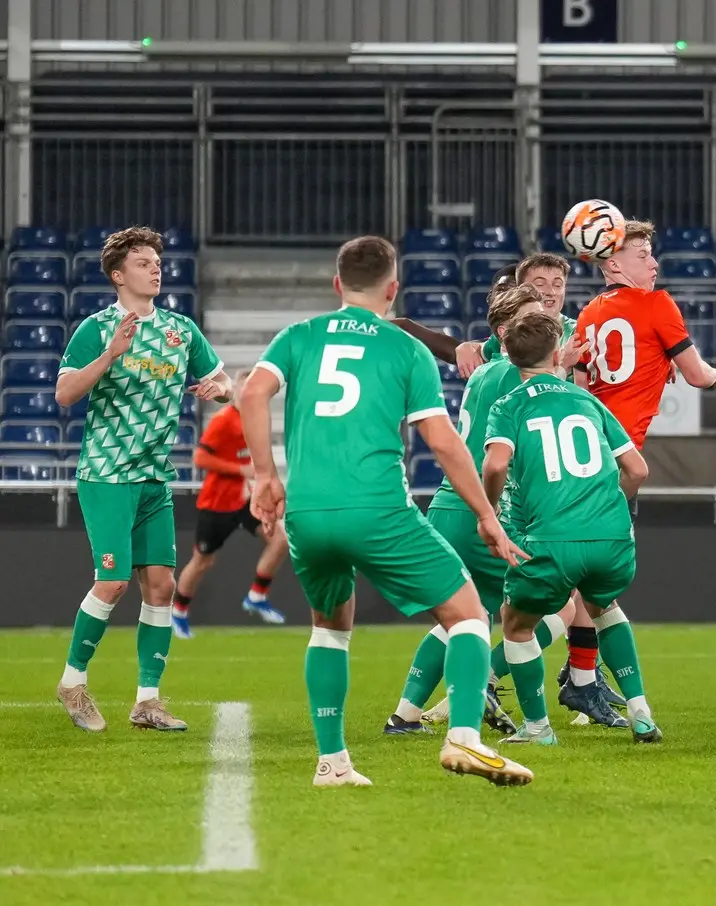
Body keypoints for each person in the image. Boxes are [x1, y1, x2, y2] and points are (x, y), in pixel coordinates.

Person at [238, 235, 532, 788]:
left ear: (337, 284)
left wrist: (265, 476)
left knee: (329, 627)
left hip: (308, 513)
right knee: (468, 613)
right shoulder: (404, 348)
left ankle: (332, 762)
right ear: (393, 288)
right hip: (376, 508)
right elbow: (443, 442)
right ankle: (465, 739)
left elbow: (251, 394)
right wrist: (487, 517)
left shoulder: (297, 337)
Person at [385, 284, 615, 735]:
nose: (544, 326)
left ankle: (405, 715)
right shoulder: (520, 375)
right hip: (487, 511)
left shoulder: (485, 372)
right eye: (532, 320)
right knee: (562, 607)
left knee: (462, 617)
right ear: (508, 331)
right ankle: (487, 679)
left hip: (447, 508)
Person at [53, 227, 230, 733]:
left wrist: (220, 389)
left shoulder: (179, 330)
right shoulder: (96, 327)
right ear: (117, 274)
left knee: (161, 585)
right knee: (111, 581)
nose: (156, 268)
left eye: (157, 261)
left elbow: (224, 381)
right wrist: (109, 355)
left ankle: (147, 702)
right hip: (107, 474)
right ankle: (72, 681)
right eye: (143, 262)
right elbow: (65, 394)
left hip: (154, 478)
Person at [562, 219, 716, 704]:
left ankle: (581, 682)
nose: (654, 263)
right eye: (643, 255)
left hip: (577, 453)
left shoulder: (589, 313)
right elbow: (696, 376)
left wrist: (657, 368)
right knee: (577, 589)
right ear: (613, 264)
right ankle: (494, 678)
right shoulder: (658, 304)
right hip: (614, 463)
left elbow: (582, 387)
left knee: (585, 589)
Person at [483, 310, 659, 745]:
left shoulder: (509, 405)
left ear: (508, 355)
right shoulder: (588, 401)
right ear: (559, 351)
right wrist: (604, 505)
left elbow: (496, 462)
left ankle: (538, 728)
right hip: (612, 537)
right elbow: (636, 469)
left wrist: (488, 514)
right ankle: (641, 714)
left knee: (516, 623)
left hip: (550, 538)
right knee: (604, 607)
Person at [170, 369, 290, 639]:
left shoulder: (253, 420)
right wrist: (240, 470)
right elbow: (200, 459)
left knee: (280, 539)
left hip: (244, 501)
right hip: (216, 504)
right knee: (203, 561)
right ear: (237, 388)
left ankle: (257, 596)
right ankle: (178, 612)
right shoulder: (223, 421)